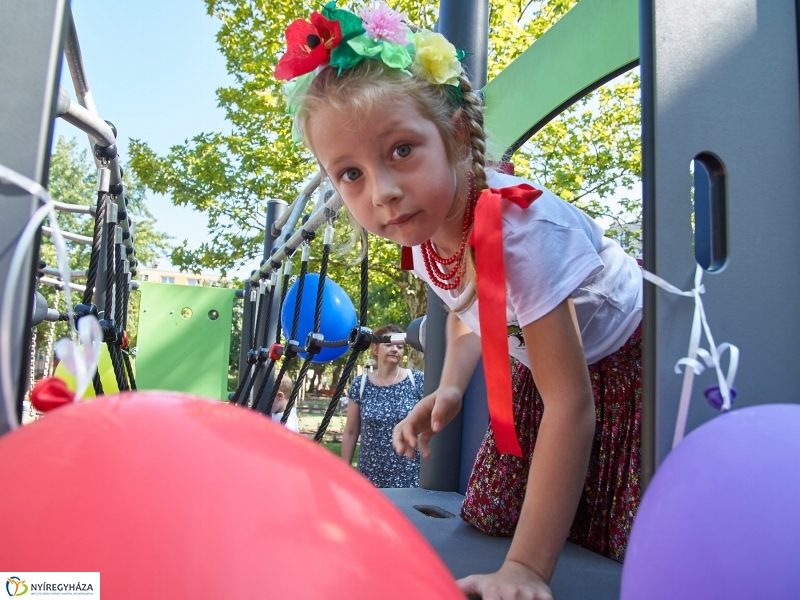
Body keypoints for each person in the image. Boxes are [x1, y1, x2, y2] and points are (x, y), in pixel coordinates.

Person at [276, 4, 643, 598]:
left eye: (400, 151)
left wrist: (526, 568)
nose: (385, 193)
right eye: (350, 174)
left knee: (615, 536)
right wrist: (448, 388)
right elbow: (470, 309)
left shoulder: (519, 234)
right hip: (538, 360)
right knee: (490, 511)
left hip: (624, 359)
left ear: (456, 132)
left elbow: (571, 403)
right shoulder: (427, 226)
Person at [341, 324, 424, 488]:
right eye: (389, 344)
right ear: (375, 349)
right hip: (370, 476)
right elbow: (351, 432)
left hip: (409, 476)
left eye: (400, 346)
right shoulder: (361, 384)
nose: (395, 349)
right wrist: (344, 471)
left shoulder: (417, 380)